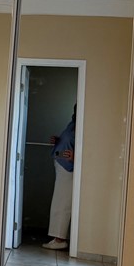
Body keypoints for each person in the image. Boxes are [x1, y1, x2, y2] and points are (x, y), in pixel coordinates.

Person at [43, 106, 75, 251]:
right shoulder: (72, 124)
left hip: (69, 167)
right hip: (61, 164)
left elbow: (87, 147)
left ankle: (60, 239)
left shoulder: (83, 125)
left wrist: (76, 157)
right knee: (59, 201)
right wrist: (58, 141)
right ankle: (57, 237)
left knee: (62, 202)